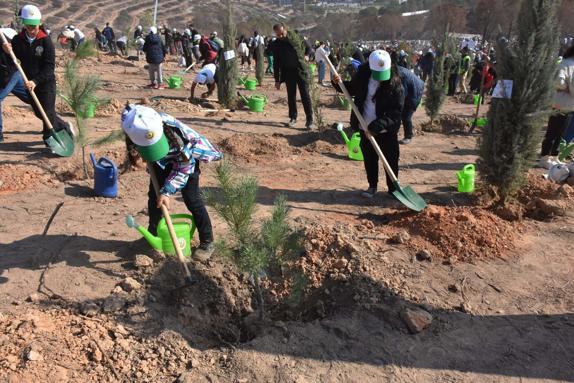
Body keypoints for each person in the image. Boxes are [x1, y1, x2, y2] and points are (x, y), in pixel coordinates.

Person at [120, 104, 222, 261]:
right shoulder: (133, 122)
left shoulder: (177, 140)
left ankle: (207, 241)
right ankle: (153, 234)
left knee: (192, 199)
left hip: (186, 162)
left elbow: (183, 168)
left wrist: (166, 191)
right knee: (154, 197)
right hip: (161, 162)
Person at [332, 50, 404, 199]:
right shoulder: (363, 75)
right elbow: (351, 89)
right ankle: (372, 186)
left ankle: (393, 189)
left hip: (385, 130)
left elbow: (395, 113)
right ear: (371, 67)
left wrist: (376, 126)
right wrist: (338, 83)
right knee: (370, 159)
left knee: (390, 159)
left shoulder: (396, 84)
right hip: (364, 126)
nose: (380, 79)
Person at [3, 5, 73, 145]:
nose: (32, 30)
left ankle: (58, 136)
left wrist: (35, 81)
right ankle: (63, 125)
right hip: (30, 85)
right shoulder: (17, 40)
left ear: (39, 24)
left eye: (34, 27)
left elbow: (49, 68)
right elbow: (14, 61)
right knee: (39, 113)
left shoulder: (45, 41)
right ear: (24, 24)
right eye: (29, 27)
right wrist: (7, 51)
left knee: (47, 112)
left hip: (45, 84)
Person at [272, 23, 314, 130]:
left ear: (285, 29)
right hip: (288, 73)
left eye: (281, 34)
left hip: (301, 71)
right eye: (278, 35)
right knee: (291, 96)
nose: (280, 36)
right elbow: (276, 63)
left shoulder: (297, 37)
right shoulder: (277, 44)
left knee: (305, 95)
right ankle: (293, 118)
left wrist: (307, 55)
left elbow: (309, 48)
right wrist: (277, 80)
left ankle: (309, 120)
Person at [539, 44, 574, 168]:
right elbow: (558, 81)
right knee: (552, 132)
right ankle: (544, 157)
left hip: (569, 105)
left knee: (560, 134)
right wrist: (566, 87)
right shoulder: (567, 63)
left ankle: (554, 156)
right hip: (560, 104)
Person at [0, 28, 29, 142]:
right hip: (4, 78)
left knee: (34, 99)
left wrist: (9, 52)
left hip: (12, 76)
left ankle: (57, 123)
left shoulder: (13, 47)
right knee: (30, 98)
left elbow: (20, 59)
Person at [395, 54, 424, 145]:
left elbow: (403, 93)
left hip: (415, 92)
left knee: (406, 115)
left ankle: (408, 136)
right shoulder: (396, 70)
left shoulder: (400, 75)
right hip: (414, 88)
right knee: (401, 113)